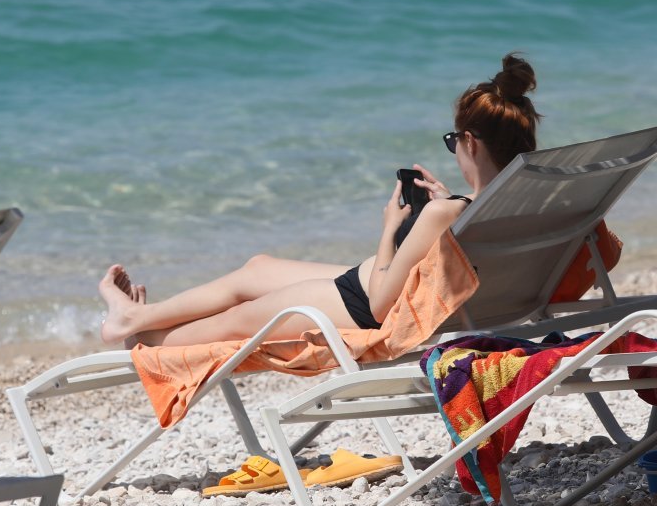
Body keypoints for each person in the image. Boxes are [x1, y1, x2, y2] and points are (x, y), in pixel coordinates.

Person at [98, 53, 541, 348]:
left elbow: (381, 306)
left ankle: (142, 336)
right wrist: (448, 208)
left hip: (363, 306)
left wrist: (390, 228)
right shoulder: (525, 206)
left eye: (453, 142)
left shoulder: (446, 213)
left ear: (471, 142)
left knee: (239, 320)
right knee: (258, 268)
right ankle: (141, 317)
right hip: (376, 288)